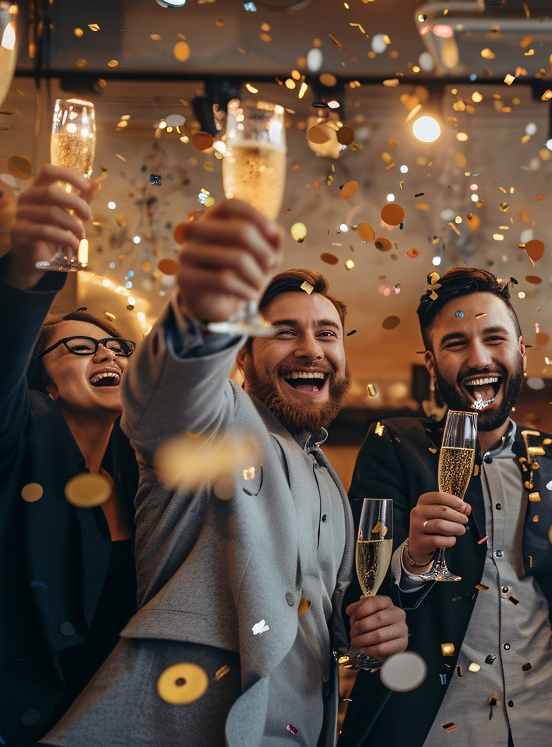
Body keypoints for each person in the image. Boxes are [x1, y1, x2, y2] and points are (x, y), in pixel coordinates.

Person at [43, 200, 408, 747]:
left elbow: (326, 624)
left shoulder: (328, 475)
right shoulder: (217, 418)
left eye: (327, 334)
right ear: (241, 354)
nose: (312, 348)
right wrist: (204, 306)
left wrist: (369, 634)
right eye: (284, 331)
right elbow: (160, 393)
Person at [339, 267, 552, 747]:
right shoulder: (396, 445)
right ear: (433, 362)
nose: (479, 358)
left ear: (521, 350)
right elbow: (358, 591)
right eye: (456, 343)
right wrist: (413, 559)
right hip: (435, 730)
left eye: (494, 338)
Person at [0, 166, 139, 745]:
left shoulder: (136, 472)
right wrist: (27, 270)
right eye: (79, 348)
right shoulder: (18, 437)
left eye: (114, 347)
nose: (103, 354)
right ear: (46, 384)